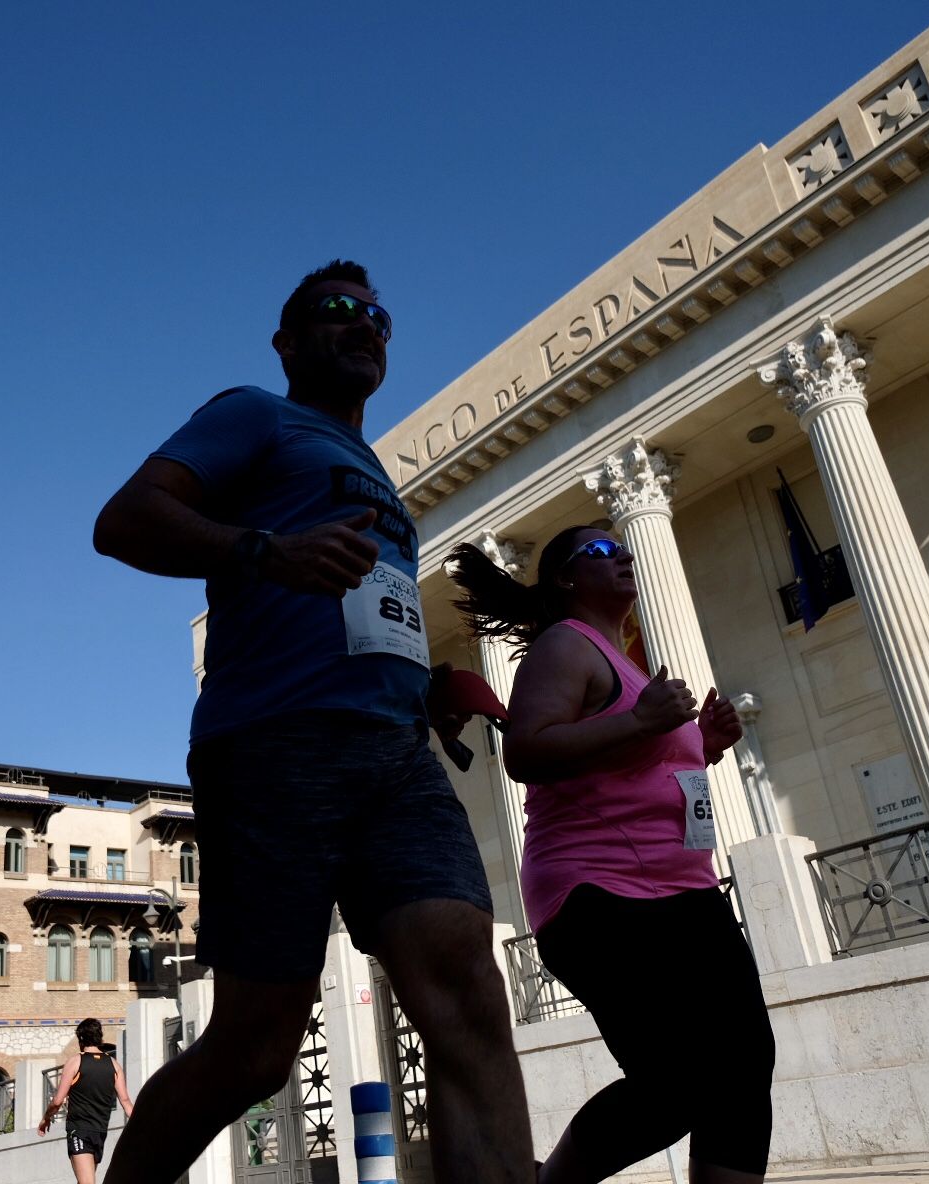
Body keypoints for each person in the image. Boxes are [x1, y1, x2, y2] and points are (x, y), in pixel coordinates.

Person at [92, 259, 533, 1182]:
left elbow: (366, 608)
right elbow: (126, 520)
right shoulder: (256, 414)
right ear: (289, 341)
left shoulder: (373, 474)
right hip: (274, 742)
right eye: (339, 311)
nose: (365, 325)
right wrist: (263, 550)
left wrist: (432, 679)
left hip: (400, 759)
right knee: (257, 1050)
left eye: (379, 316)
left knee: (468, 997)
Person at [448, 525, 772, 1184]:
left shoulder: (621, 659)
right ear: (565, 578)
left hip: (684, 889)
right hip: (601, 892)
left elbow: (634, 771)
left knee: (742, 1063)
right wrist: (642, 722)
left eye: (621, 547)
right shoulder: (564, 647)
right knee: (676, 1077)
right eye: (600, 552)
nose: (622, 556)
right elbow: (527, 751)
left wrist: (702, 745)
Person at [38, 1019, 134, 1183]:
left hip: (79, 1131)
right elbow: (125, 1102)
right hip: (100, 1133)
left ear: (80, 1039)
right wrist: (144, 1127)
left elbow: (57, 1101)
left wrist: (46, 1118)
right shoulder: (114, 1065)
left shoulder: (76, 1061)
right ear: (100, 1038)